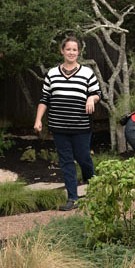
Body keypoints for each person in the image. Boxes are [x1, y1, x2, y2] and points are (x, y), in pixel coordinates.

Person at [34, 36, 101, 211]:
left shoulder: (87, 73)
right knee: (66, 162)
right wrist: (38, 119)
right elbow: (44, 99)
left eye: (75, 49)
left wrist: (91, 98)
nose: (71, 52)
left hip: (81, 126)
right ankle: (72, 198)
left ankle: (95, 189)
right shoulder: (52, 74)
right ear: (62, 51)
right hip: (59, 127)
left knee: (84, 158)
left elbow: (97, 93)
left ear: (79, 52)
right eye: (68, 49)